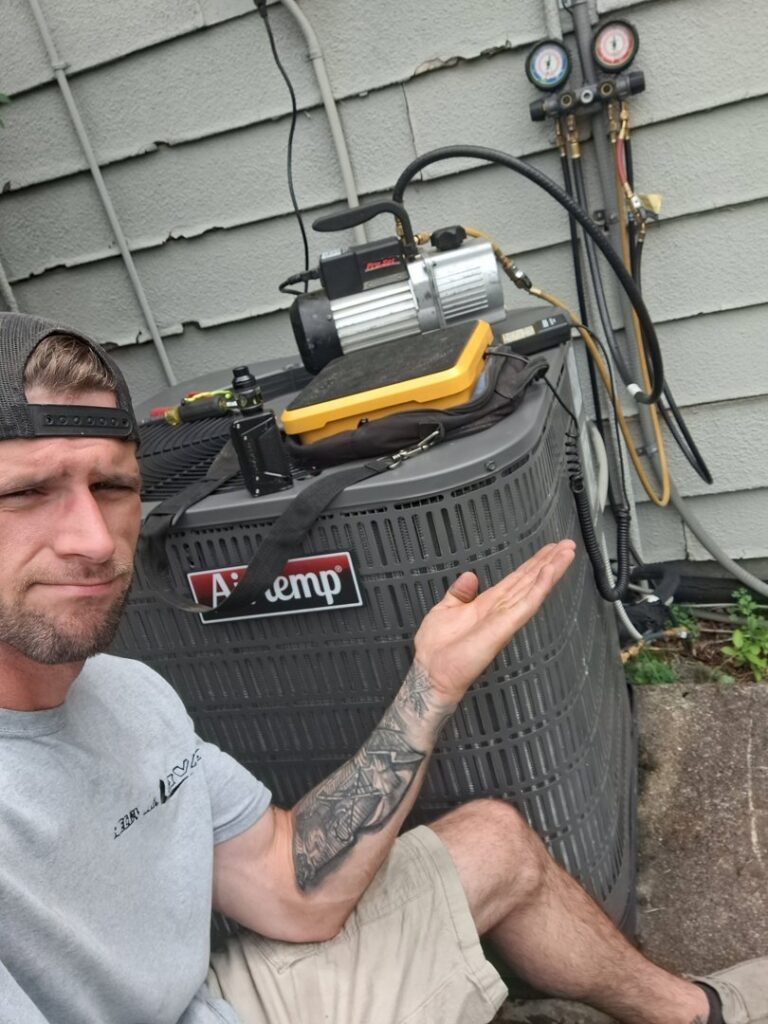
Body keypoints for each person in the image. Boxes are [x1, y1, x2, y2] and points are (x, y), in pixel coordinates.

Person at [0, 311, 763, 1024]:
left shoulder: (129, 693)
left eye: (112, 486)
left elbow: (287, 880)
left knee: (494, 841)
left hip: (215, 1001)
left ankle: (694, 1012)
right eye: (27, 492)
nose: (94, 540)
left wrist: (432, 685)